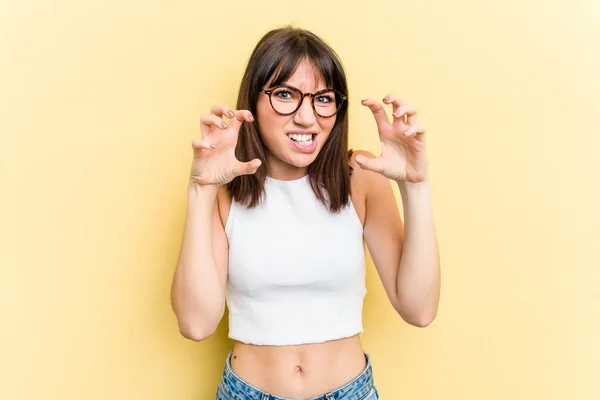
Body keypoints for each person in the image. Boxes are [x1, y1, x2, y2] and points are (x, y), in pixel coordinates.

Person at [171, 26, 441, 400]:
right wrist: (201, 190)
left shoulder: (360, 179)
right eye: (285, 94)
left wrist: (416, 186)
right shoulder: (225, 194)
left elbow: (419, 309)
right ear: (253, 100)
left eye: (323, 99)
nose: (308, 117)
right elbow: (196, 324)